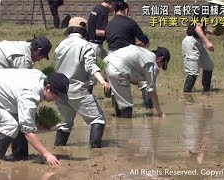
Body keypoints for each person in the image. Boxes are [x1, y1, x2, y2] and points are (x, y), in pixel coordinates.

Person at [0, 68, 69, 166]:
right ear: (47, 87)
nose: (57, 98)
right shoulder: (29, 95)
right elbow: (28, 132)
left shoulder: (40, 79)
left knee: (20, 119)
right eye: (56, 95)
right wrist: (46, 154)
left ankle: (19, 156)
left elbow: (26, 117)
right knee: (10, 125)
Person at [0, 36, 52, 134]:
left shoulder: (24, 46)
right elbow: (22, 88)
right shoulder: (23, 59)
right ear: (38, 50)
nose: (39, 60)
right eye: (42, 56)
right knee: (0, 106)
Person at [54, 17, 110, 148]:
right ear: (84, 31)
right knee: (98, 119)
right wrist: (102, 80)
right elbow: (91, 66)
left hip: (59, 90)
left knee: (64, 123)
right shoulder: (85, 45)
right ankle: (96, 152)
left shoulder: (61, 45)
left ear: (69, 30)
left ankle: (58, 149)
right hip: (77, 89)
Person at [105, 0, 153, 110]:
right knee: (144, 82)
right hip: (127, 57)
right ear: (126, 10)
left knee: (116, 86)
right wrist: (144, 43)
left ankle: (117, 112)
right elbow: (144, 38)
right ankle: (150, 110)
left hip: (111, 57)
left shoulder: (109, 25)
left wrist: (134, 43)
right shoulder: (130, 22)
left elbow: (116, 41)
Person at [105, 45, 170, 118]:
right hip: (116, 69)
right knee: (127, 106)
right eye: (161, 65)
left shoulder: (145, 53)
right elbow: (152, 91)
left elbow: (129, 64)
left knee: (120, 99)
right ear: (161, 59)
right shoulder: (151, 63)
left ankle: (119, 122)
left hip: (105, 63)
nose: (159, 67)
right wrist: (160, 113)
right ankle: (125, 125)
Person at [182, 0, 224, 92]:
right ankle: (186, 94)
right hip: (191, 42)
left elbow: (198, 28)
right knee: (193, 72)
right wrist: (207, 42)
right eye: (221, 7)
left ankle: (206, 90)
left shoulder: (206, 11)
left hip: (197, 42)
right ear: (216, 5)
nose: (221, 9)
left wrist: (212, 32)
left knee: (208, 66)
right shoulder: (205, 11)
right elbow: (197, 28)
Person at [87, 0, 115, 93]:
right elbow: (98, 31)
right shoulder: (103, 12)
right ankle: (88, 94)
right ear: (112, 3)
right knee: (94, 72)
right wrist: (114, 32)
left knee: (108, 65)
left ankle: (108, 91)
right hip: (95, 46)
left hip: (94, 44)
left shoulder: (97, 8)